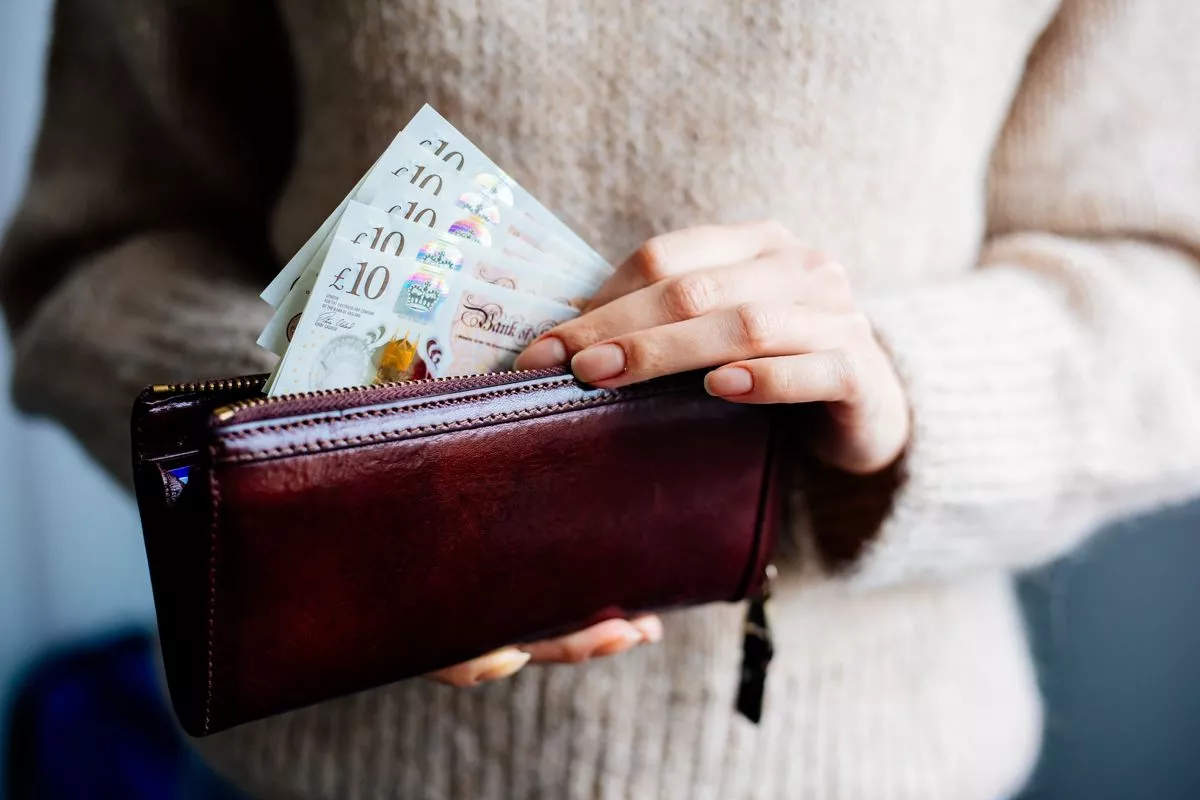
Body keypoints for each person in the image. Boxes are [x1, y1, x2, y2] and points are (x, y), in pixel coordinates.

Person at [3, 0, 1199, 797]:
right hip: (326, 765)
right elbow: (93, 248)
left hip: (874, 754)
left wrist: (909, 378)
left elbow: (1171, 289)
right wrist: (355, 455)